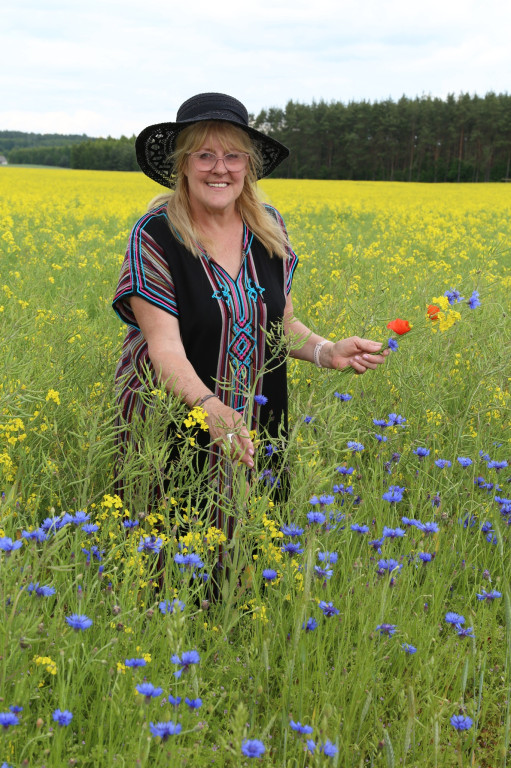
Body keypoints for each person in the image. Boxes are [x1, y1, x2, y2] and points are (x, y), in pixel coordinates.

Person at [112, 92, 388, 530]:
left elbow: (281, 325)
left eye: (233, 156)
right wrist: (209, 407)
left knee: (254, 550)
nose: (220, 168)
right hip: (173, 418)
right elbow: (163, 347)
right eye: (204, 155)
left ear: (248, 165)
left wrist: (327, 351)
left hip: (258, 416)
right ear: (182, 164)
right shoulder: (156, 234)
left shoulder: (268, 226)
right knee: (173, 556)